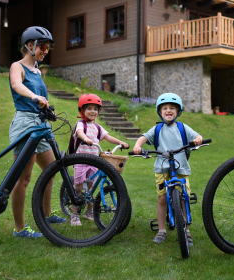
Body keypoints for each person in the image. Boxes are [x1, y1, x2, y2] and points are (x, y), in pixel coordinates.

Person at [9, 26, 66, 239]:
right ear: (30, 45)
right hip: (25, 123)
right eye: (42, 46)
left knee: (51, 169)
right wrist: (34, 97)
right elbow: (16, 85)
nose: (45, 50)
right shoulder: (18, 66)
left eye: (47, 47)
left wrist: (47, 108)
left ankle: (46, 214)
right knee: (23, 179)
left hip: (41, 123)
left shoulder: (38, 71)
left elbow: (41, 99)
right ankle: (19, 228)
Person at [133, 93, 202, 245]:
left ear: (178, 112)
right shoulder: (157, 128)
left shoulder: (182, 127)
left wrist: (197, 139)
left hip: (180, 169)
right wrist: (138, 146)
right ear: (160, 111)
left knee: (184, 199)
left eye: (172, 108)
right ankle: (161, 230)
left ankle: (187, 230)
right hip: (162, 169)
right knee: (162, 198)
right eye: (165, 108)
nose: (168, 110)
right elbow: (144, 137)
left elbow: (196, 135)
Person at [69, 94, 129, 226]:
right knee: (79, 188)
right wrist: (85, 139)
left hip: (93, 162)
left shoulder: (97, 127)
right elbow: (79, 133)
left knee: (88, 188)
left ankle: (89, 211)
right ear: (82, 111)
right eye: (89, 108)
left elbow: (108, 137)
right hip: (80, 161)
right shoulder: (81, 124)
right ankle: (74, 214)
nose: (93, 111)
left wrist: (121, 142)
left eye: (95, 109)